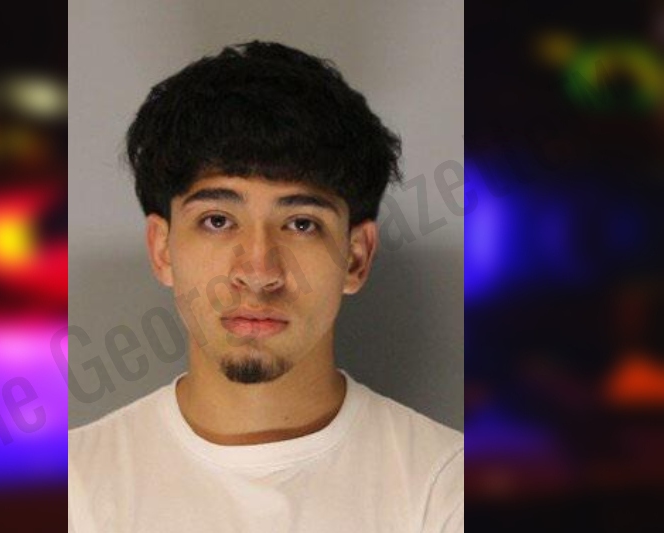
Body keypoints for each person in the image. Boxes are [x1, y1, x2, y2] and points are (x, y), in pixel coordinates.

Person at [68, 41, 463, 533]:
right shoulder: (72, 491)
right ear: (162, 249)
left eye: (301, 224)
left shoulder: (445, 490)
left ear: (356, 257)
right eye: (217, 220)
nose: (258, 271)